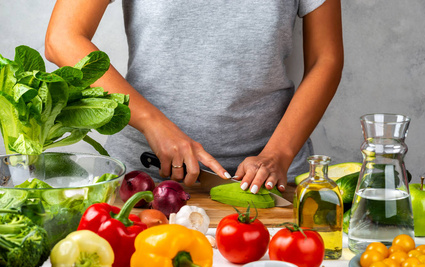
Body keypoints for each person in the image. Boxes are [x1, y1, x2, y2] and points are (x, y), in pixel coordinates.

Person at [45, 0, 343, 195]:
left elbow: (325, 60)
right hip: (143, 179)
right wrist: (152, 123)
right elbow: (63, 38)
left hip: (270, 184)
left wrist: (277, 154)